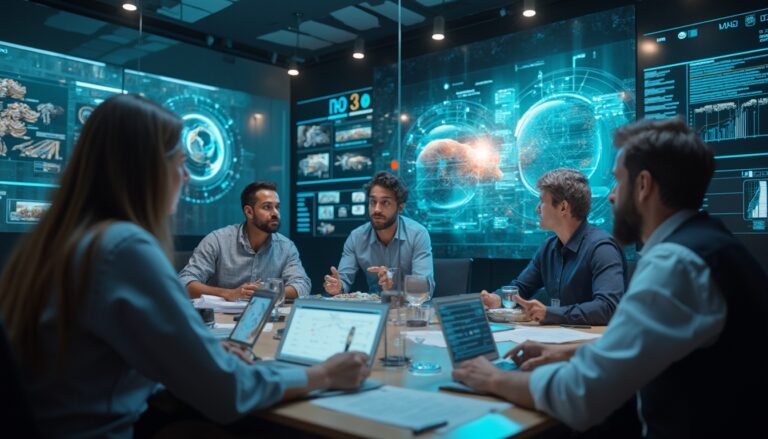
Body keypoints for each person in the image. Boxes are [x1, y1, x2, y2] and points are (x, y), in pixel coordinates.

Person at [0, 94, 369, 438]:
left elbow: (98, 367)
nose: (187, 176)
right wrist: (322, 374)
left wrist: (200, 355)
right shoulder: (124, 248)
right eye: (179, 162)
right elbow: (227, 393)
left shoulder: (60, 243)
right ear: (145, 169)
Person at [453, 117, 768, 437]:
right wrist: (567, 351)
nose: (613, 196)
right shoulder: (707, 247)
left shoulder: (676, 264)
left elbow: (580, 394)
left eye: (618, 182)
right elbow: (644, 345)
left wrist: (491, 377)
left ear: (643, 185)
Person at [481, 168, 625, 325]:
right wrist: (497, 299)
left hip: (592, 344)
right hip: (559, 337)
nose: (537, 209)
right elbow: (521, 287)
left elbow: (607, 308)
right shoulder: (548, 248)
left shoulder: (602, 248)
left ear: (563, 207)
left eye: (542, 201)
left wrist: (550, 313)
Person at [179, 181, 311, 301]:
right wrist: (229, 293)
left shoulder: (286, 247)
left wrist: (271, 292)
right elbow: (185, 282)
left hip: (266, 319)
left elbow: (302, 284)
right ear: (249, 212)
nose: (275, 213)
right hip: (220, 320)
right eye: (267, 207)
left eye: (277, 207)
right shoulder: (217, 240)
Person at [323, 171, 434, 295]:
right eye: (372, 202)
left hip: (409, 309)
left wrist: (394, 288)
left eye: (385, 202)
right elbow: (343, 281)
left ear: (400, 207)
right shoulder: (356, 237)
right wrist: (337, 287)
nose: (377, 209)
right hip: (374, 310)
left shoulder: (417, 234)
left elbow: (425, 287)